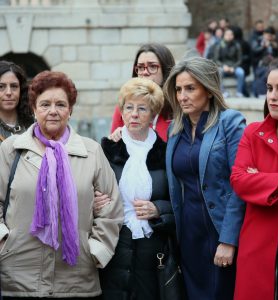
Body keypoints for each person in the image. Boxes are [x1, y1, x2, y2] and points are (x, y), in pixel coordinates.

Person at [0, 70, 123, 299]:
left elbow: (112, 208)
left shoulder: (91, 151)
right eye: (45, 104)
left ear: (70, 110)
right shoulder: (11, 150)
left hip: (77, 278)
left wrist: (95, 250)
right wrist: (4, 243)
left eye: (60, 104)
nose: (53, 111)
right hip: (19, 278)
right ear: (34, 109)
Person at [163, 56, 246, 299]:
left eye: (190, 88)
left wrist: (229, 240)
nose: (182, 96)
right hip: (187, 234)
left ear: (208, 90)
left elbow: (239, 186)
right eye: (178, 89)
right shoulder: (174, 128)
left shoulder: (229, 122)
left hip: (219, 231)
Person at [98, 77, 175, 300]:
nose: (134, 114)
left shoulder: (166, 153)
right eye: (129, 107)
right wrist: (94, 201)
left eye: (142, 108)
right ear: (121, 112)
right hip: (113, 243)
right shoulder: (107, 149)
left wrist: (158, 209)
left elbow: (179, 202)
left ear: (153, 114)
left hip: (153, 248)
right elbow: (89, 190)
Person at [230, 57, 278, 299]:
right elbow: (239, 181)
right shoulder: (253, 133)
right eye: (269, 88)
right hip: (257, 254)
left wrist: (263, 183)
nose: (272, 96)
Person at [110, 43, 175, 142]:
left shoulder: (178, 108)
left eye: (152, 66)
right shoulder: (124, 106)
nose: (145, 72)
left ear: (165, 71)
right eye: (140, 67)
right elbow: (112, 148)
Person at [0, 60, 33, 143]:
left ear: (21, 90)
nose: (8, 92)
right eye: (1, 87)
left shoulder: (35, 126)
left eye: (14, 86)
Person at [213, 28, 246, 98]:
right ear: (224, 35)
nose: (229, 36)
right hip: (223, 67)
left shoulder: (237, 45)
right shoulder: (219, 45)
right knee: (218, 72)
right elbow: (216, 59)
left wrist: (233, 67)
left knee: (241, 72)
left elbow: (240, 59)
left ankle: (239, 92)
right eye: (227, 34)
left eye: (231, 34)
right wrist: (223, 66)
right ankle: (223, 92)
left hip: (234, 67)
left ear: (233, 36)